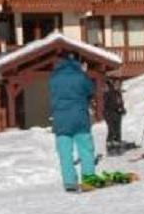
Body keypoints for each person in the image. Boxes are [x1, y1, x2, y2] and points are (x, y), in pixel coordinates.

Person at [47, 54, 96, 191]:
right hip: (80, 119)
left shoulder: (54, 78)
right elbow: (90, 89)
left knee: (65, 153)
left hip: (61, 120)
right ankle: (89, 179)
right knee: (85, 150)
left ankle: (69, 182)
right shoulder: (80, 76)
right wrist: (84, 73)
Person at [102, 75, 127, 155]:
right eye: (117, 84)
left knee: (117, 130)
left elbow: (120, 103)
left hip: (117, 114)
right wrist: (117, 108)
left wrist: (122, 109)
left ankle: (117, 146)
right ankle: (109, 147)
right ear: (113, 84)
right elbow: (108, 103)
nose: (118, 86)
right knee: (111, 130)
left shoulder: (118, 93)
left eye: (119, 84)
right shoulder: (109, 92)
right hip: (109, 113)